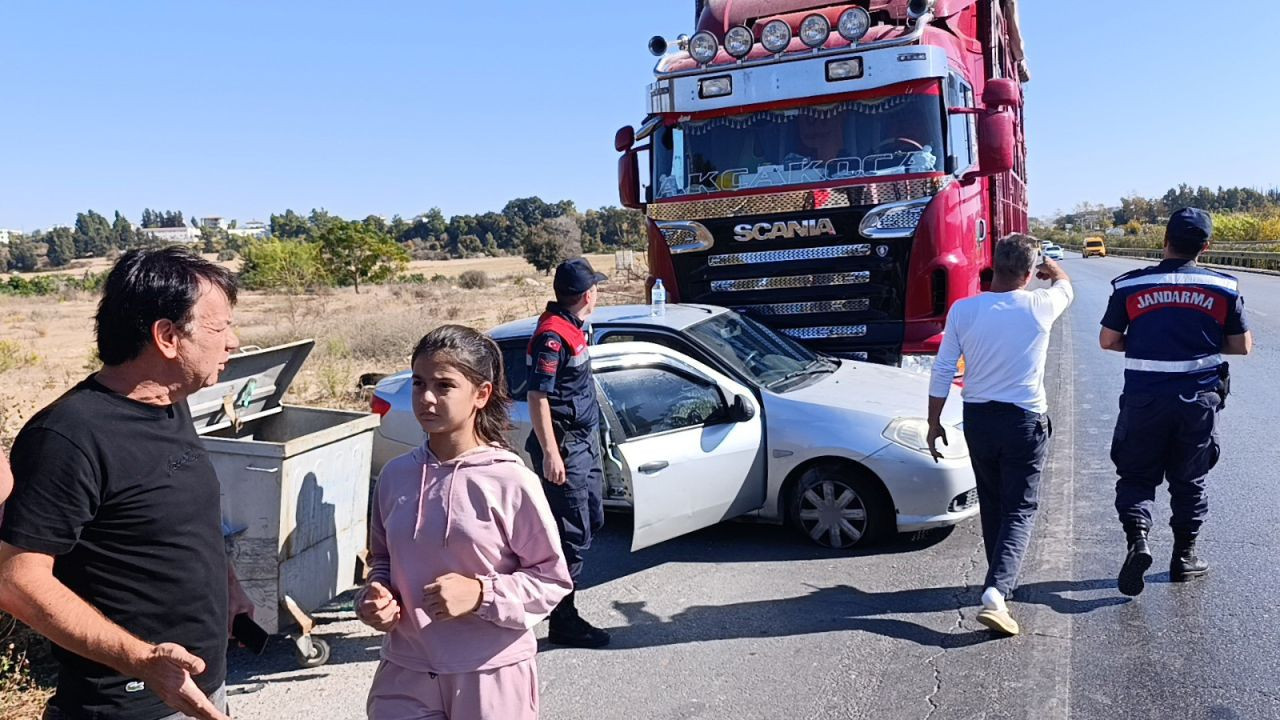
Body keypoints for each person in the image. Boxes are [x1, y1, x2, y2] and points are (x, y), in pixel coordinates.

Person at [0, 247, 245, 720]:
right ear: (168, 336)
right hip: (125, 706)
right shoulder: (68, 436)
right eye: (220, 328)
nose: (233, 341)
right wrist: (142, 661)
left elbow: (183, 519)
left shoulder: (172, 403)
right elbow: (16, 581)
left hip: (200, 688)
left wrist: (229, 587)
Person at [359, 325, 571, 720]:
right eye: (418, 383)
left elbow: (551, 578)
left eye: (444, 386)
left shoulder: (510, 479)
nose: (426, 398)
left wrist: (480, 594)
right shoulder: (394, 476)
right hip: (405, 672)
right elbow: (383, 561)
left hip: (490, 672)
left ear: (481, 394)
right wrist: (376, 596)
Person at [927, 234, 1073, 636]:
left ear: (993, 265)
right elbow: (1066, 287)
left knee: (992, 503)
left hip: (978, 419)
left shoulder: (963, 310)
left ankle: (996, 582)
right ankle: (997, 591)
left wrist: (933, 422)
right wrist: (1053, 268)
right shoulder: (1040, 305)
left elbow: (942, 370)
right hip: (1023, 421)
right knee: (1021, 508)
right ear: (1029, 274)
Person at [1100, 208, 1251, 596]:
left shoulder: (1129, 285)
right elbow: (1242, 346)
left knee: (1136, 475)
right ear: (1206, 246)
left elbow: (1109, 340)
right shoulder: (1224, 287)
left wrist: (1151, 341)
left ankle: (1138, 541)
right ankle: (1184, 557)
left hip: (1144, 398)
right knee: (1190, 478)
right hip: (1197, 399)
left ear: (1163, 241)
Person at [524, 257, 612, 648]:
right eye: (595, 288)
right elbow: (538, 395)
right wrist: (551, 453)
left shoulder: (575, 328)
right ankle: (563, 620)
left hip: (583, 442)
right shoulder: (552, 336)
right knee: (570, 535)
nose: (598, 293)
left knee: (590, 520)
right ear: (587, 294)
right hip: (565, 446)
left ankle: (558, 606)